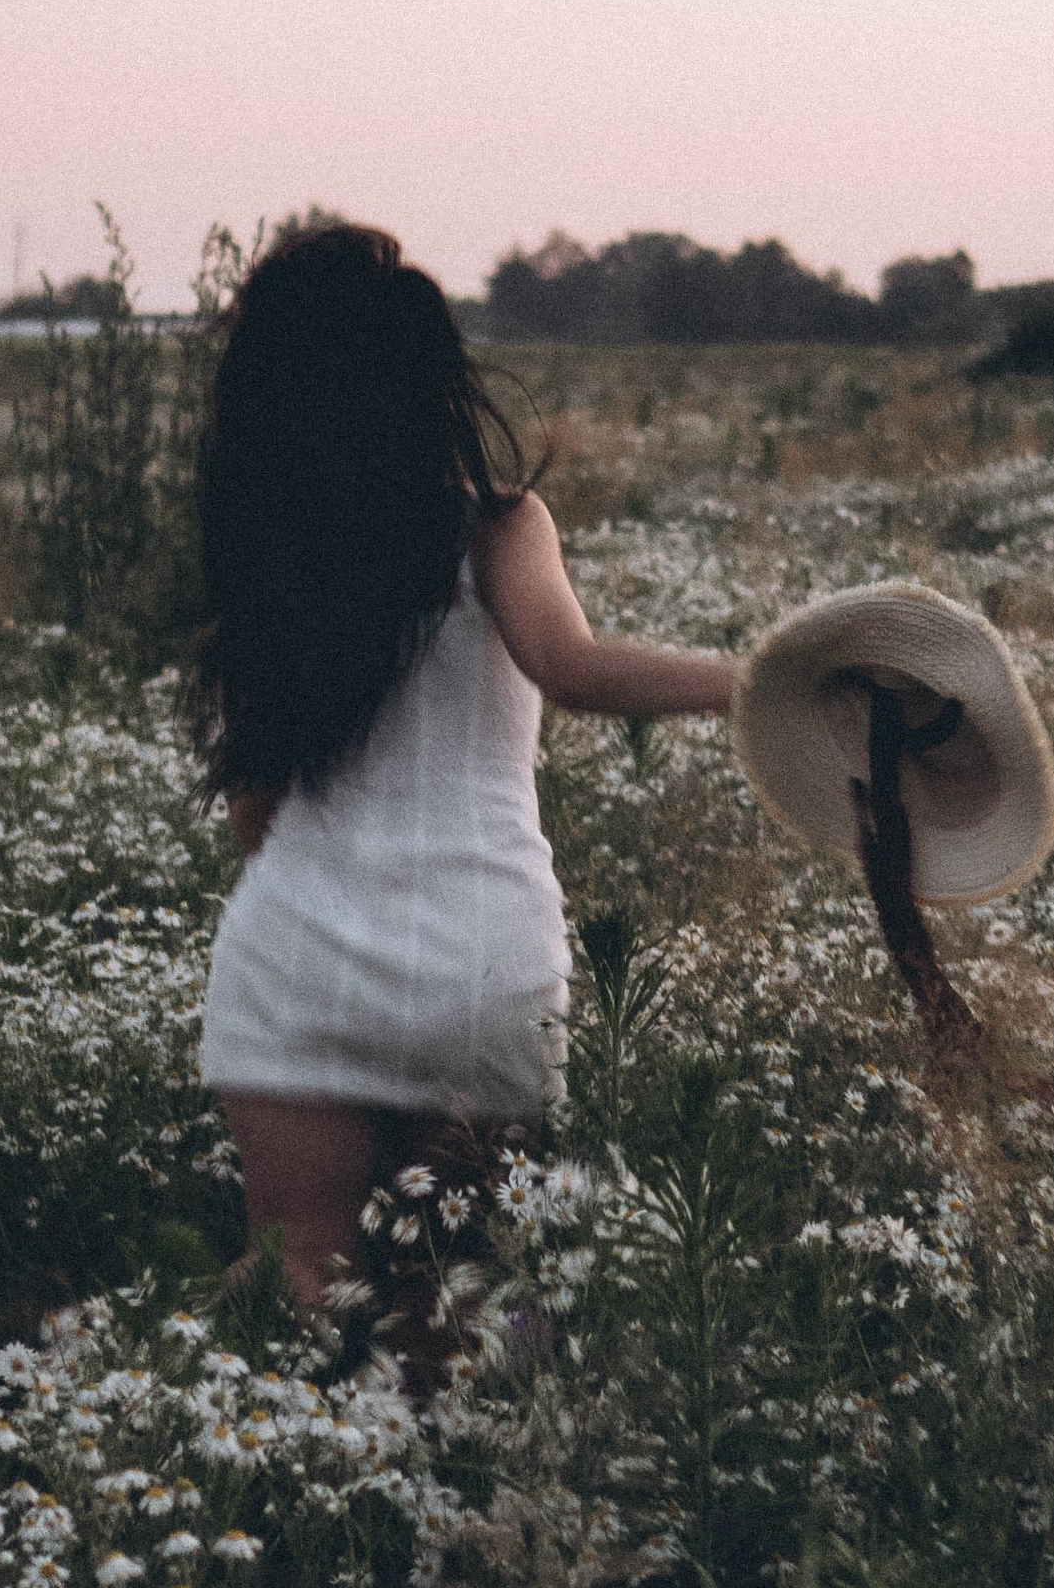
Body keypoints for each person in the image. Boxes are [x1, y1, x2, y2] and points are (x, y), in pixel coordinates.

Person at [193, 223, 732, 1325]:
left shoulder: (268, 553)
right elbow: (571, 669)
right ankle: (464, 1492)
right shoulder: (495, 530)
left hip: (301, 958)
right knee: (461, 1310)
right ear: (426, 379)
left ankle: (220, 1455)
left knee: (297, 1281)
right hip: (478, 968)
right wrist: (765, 682)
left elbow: (255, 814)